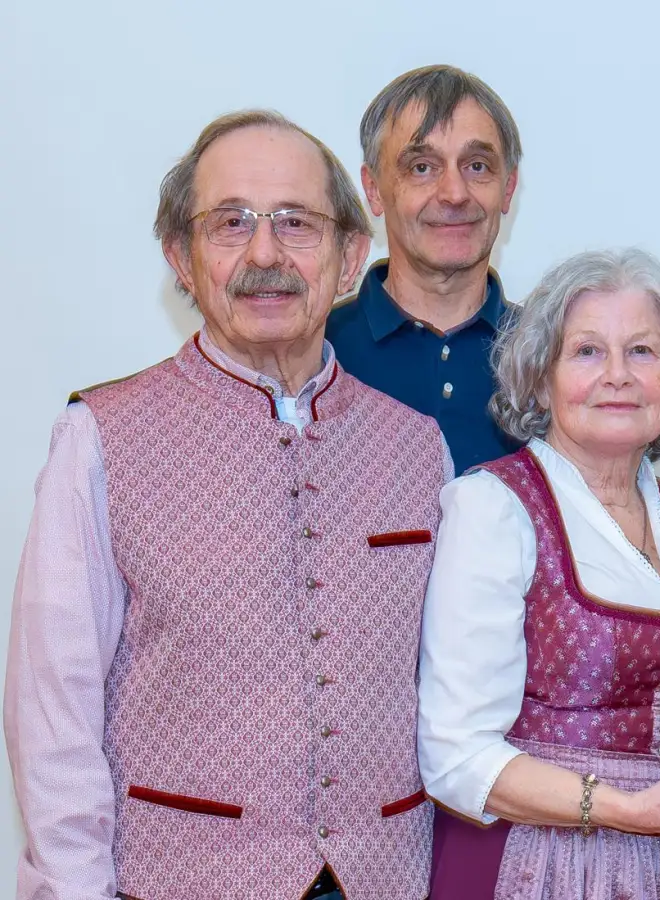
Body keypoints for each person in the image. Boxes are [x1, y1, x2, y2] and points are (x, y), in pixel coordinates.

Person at [4, 110, 449, 899]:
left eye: (296, 224)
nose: (265, 253)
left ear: (351, 256)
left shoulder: (419, 448)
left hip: (388, 879)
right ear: (182, 256)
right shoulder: (98, 437)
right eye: (231, 223)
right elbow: (52, 719)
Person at [418, 249, 660, 899]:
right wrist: (632, 810)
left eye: (643, 351)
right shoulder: (495, 507)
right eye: (586, 352)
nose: (618, 375)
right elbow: (455, 756)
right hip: (539, 864)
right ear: (542, 376)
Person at [326, 64, 524, 473]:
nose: (454, 193)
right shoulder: (316, 352)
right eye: (421, 167)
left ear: (508, 187)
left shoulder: (554, 357)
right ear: (373, 189)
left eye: (477, 166)